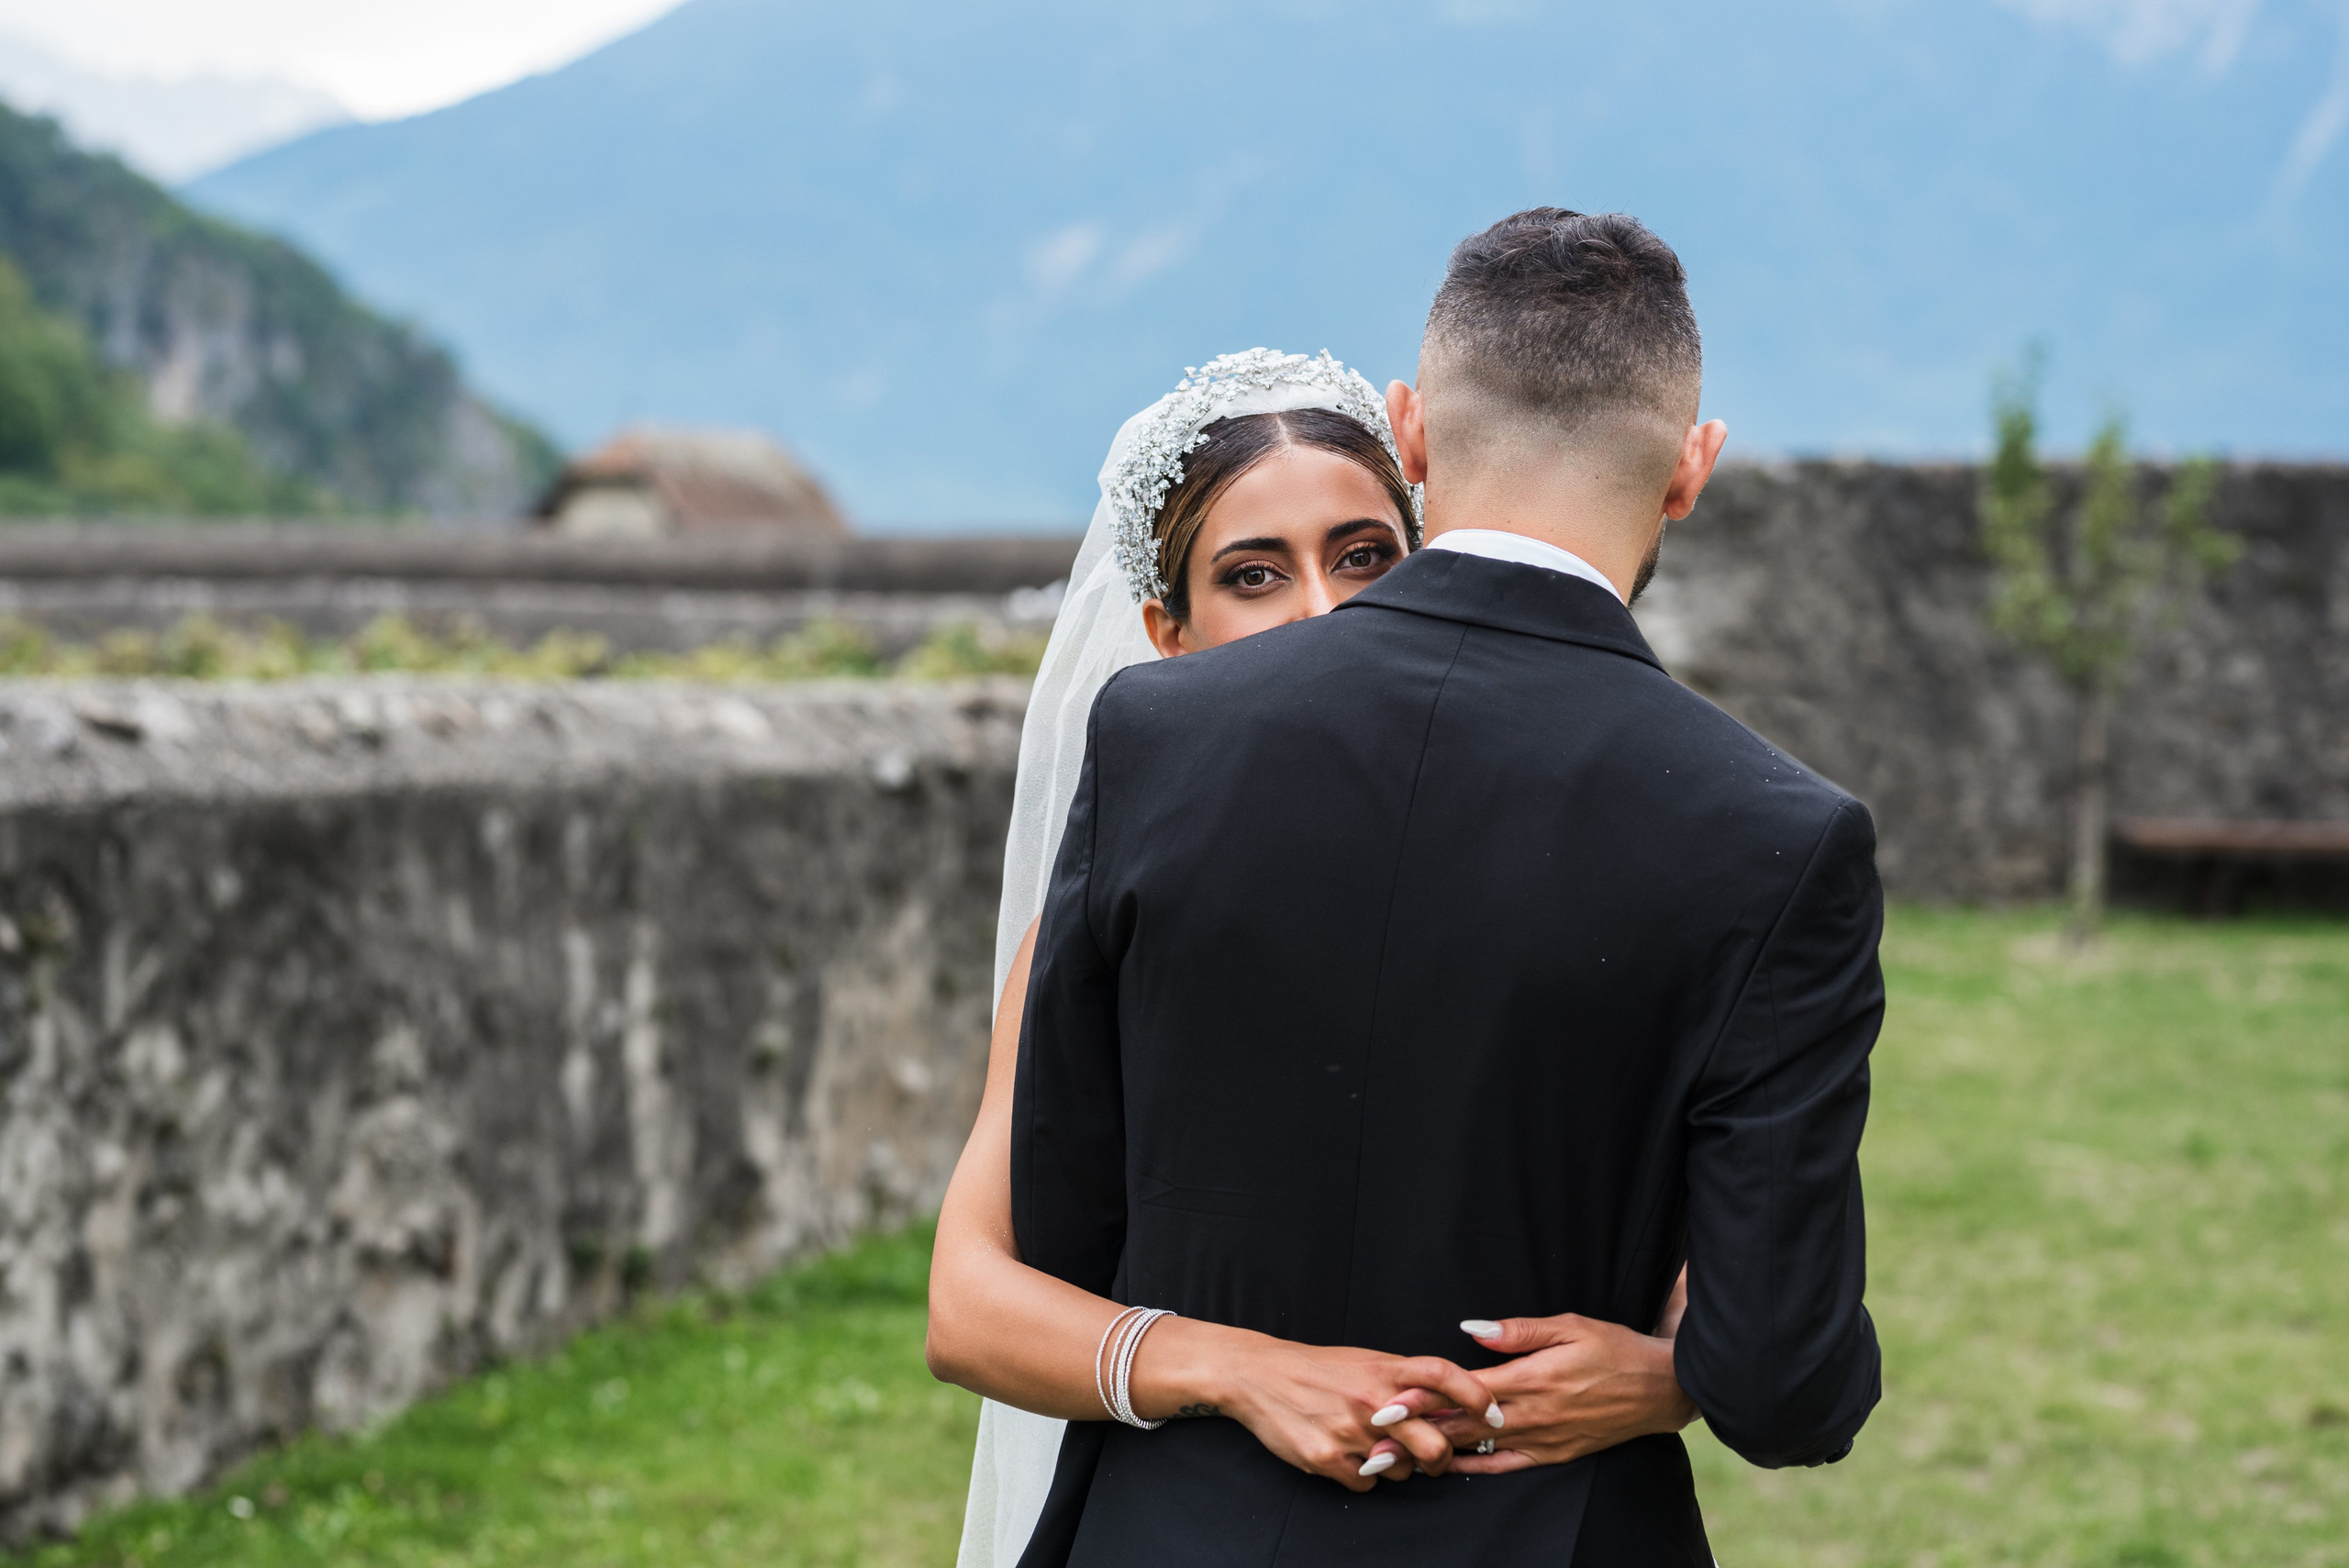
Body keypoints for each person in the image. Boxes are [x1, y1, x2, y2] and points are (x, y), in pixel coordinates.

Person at [1001, 210, 1884, 1565]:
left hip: (1173, 1526)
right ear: (1691, 469)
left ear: (1410, 437)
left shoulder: (1157, 737)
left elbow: (1064, 1222)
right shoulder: (1779, 835)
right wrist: (1687, 1363)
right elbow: (1784, 1379)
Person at [929, 348, 1701, 1567]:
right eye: (1254, 575)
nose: (1323, 616)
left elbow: (1704, 1222)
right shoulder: (1106, 913)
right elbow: (969, 1299)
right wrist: (1243, 1369)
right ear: (1169, 637)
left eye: (1363, 558)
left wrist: (1673, 1372)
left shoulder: (1586, 866)